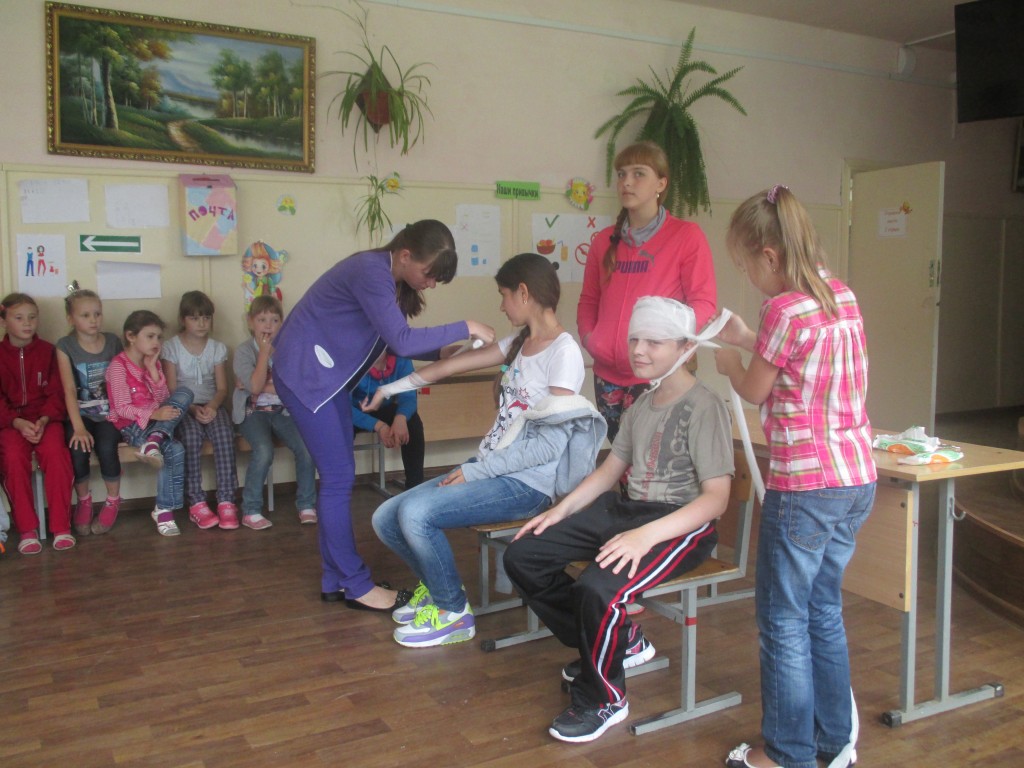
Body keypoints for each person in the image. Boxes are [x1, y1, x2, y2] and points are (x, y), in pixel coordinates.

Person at [504, 296, 734, 743]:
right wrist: (558, 511)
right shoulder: (641, 404)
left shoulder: (706, 406)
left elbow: (716, 500)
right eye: (634, 340)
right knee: (524, 555)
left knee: (597, 589)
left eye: (654, 342)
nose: (639, 350)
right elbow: (610, 471)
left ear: (686, 347)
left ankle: (604, 698)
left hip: (681, 523)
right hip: (629, 511)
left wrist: (644, 537)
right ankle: (616, 642)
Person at [715, 185, 876, 768]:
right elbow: (801, 357)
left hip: (805, 487)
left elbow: (757, 387)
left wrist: (730, 361)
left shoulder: (782, 308)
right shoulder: (839, 294)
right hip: (855, 479)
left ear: (770, 255)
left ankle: (786, 754)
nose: (748, 277)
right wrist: (746, 338)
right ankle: (835, 743)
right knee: (822, 610)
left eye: (746, 265)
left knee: (783, 620)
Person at [369, 253, 605, 648]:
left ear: (523, 293)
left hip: (527, 484)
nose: (501, 306)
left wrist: (476, 471)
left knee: (415, 513)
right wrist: (388, 389)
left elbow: (549, 447)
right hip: (491, 468)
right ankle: (438, 589)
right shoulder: (520, 343)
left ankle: (453, 612)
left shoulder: (564, 353)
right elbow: (447, 368)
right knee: (385, 517)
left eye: (503, 295)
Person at [272, 219, 495, 612]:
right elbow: (401, 340)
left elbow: (389, 340)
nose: (430, 284)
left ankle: (336, 580)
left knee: (337, 479)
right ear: (405, 255)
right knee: (339, 479)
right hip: (306, 375)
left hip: (325, 381)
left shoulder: (385, 276)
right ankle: (356, 585)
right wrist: (467, 325)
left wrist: (440, 352)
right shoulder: (370, 271)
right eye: (428, 274)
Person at [577, 140, 717, 442]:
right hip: (607, 376)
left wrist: (672, 347)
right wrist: (592, 340)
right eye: (621, 174)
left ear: (661, 184)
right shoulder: (603, 241)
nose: (627, 182)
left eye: (638, 173)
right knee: (620, 457)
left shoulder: (686, 236)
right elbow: (589, 300)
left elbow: (703, 304)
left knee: (652, 461)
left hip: (658, 375)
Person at [232, 295, 317, 530]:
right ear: (251, 322)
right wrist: (263, 354)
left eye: (275, 320)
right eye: (262, 320)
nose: (268, 325)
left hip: (283, 411)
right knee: (263, 450)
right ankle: (251, 510)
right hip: (252, 413)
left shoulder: (289, 349)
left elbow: (294, 386)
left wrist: (258, 385)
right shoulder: (244, 351)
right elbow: (255, 388)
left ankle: (306, 504)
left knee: (307, 448)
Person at [106, 310, 194, 537]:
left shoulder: (152, 363)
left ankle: (155, 440)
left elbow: (164, 399)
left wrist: (154, 370)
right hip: (133, 425)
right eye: (150, 336)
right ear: (131, 336)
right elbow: (121, 408)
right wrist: (154, 414)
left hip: (157, 423)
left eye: (159, 337)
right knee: (174, 449)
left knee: (185, 393)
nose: (156, 342)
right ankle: (164, 510)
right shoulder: (118, 366)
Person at [0, 293, 75, 554]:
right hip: (10, 423)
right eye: (19, 318)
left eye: (32, 317)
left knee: (56, 454)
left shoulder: (48, 351)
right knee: (11, 457)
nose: (27, 323)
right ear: (4, 321)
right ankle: (27, 529)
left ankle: (61, 527)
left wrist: (44, 419)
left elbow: (58, 392)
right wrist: (17, 422)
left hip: (46, 419)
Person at [162, 291, 239, 530]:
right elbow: (172, 388)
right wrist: (193, 409)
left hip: (211, 404)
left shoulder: (217, 348)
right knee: (191, 437)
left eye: (206, 317)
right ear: (183, 319)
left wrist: (212, 407)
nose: (202, 323)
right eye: (195, 318)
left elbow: (222, 388)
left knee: (224, 435)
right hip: (184, 407)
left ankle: (226, 500)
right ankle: (196, 502)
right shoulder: (171, 347)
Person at [56, 287, 124, 536]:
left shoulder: (113, 342)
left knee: (107, 448)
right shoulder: (65, 346)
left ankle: (113, 500)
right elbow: (68, 389)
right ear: (71, 319)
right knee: (78, 449)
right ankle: (84, 500)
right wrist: (78, 427)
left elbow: (122, 379)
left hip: (109, 414)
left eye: (97, 313)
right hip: (80, 415)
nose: (93, 320)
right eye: (85, 315)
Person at [351, 349, 425, 489]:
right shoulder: (350, 360)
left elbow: (409, 397)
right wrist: (379, 426)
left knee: (413, 422)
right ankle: (343, 488)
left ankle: (415, 488)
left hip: (384, 408)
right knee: (341, 431)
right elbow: (343, 408)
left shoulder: (401, 357)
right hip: (353, 413)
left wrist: (401, 417)